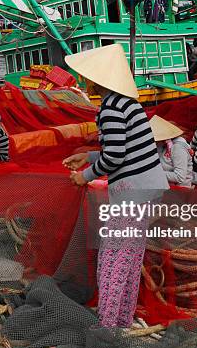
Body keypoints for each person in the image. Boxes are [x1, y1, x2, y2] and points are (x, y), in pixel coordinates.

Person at [62, 44, 169, 328]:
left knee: (112, 258)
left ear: (101, 80)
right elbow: (125, 148)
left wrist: (83, 176)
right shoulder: (128, 103)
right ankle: (121, 320)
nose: (85, 81)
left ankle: (106, 327)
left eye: (88, 77)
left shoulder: (110, 107)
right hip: (148, 188)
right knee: (130, 257)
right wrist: (89, 156)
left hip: (132, 193)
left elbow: (115, 156)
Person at [149, 115, 193, 187]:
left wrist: (155, 173)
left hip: (179, 187)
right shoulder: (161, 145)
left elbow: (180, 177)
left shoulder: (178, 148)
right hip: (164, 181)